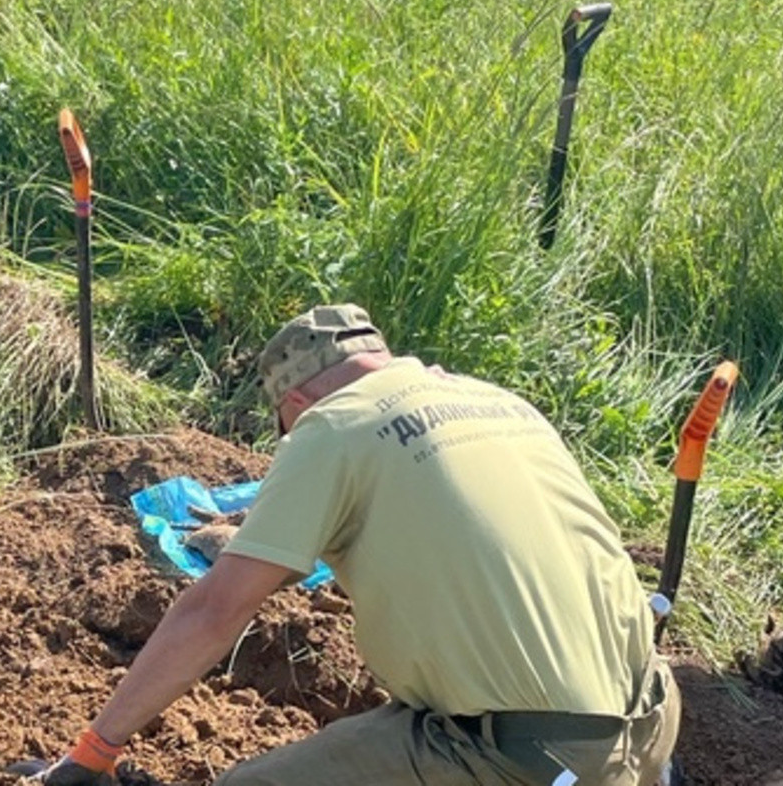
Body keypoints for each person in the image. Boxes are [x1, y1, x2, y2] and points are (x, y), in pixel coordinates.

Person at [36, 304, 679, 786]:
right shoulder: (500, 403)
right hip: (652, 725)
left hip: (540, 761)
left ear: (293, 403)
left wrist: (95, 754)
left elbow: (215, 612)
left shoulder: (329, 428)